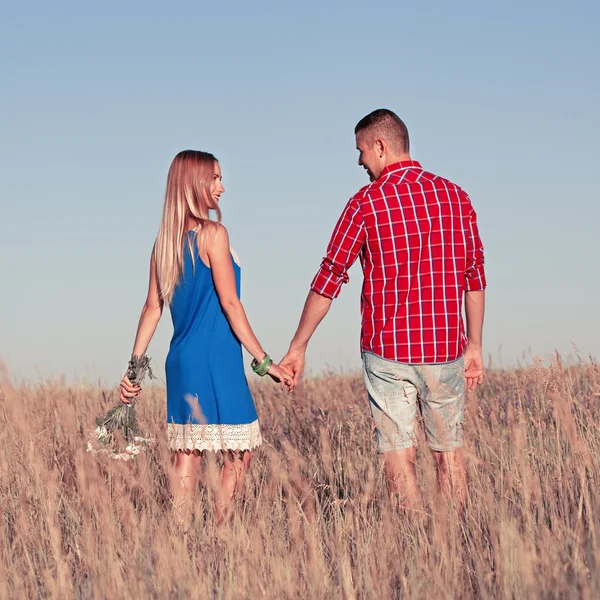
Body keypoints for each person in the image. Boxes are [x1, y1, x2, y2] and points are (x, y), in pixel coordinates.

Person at [281, 109, 486, 510]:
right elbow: (473, 278)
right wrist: (474, 346)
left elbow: (330, 276)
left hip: (388, 350)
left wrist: (298, 345)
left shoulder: (365, 203)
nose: (360, 161)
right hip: (445, 349)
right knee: (449, 455)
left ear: (380, 146)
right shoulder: (456, 197)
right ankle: (454, 547)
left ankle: (415, 549)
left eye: (361, 151)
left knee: (398, 456)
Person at [119, 150, 293, 520]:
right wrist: (266, 363)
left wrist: (133, 370)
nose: (222, 187)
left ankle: (180, 545)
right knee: (239, 452)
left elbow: (152, 308)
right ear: (195, 184)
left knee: (188, 455)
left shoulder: (163, 244)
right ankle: (221, 532)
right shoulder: (213, 235)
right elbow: (231, 304)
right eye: (215, 179)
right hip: (217, 360)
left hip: (181, 362)